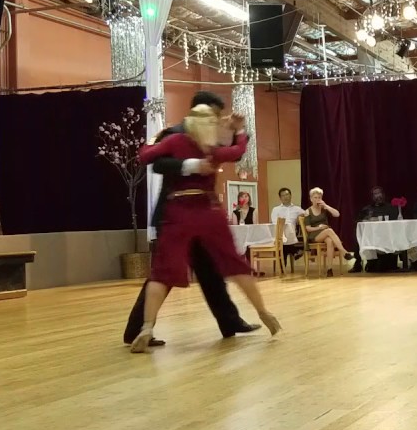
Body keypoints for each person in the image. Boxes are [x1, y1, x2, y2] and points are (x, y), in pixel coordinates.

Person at [130, 105, 280, 352]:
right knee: (234, 263)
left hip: (177, 210)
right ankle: (264, 312)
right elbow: (238, 150)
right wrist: (240, 129)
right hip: (208, 210)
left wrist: (153, 140)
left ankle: (147, 327)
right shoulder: (211, 149)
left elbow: (146, 157)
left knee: (162, 272)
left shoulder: (176, 139)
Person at [303, 187, 354, 276]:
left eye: (319, 197)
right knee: (329, 230)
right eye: (315, 197)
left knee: (330, 241)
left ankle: (329, 269)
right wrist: (319, 227)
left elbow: (337, 214)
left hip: (325, 233)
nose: (317, 199)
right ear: (311, 199)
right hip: (314, 235)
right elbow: (308, 228)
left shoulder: (324, 209)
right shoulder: (308, 211)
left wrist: (326, 206)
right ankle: (344, 252)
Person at [271, 187, 305, 270]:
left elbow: (307, 214)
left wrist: (300, 216)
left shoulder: (297, 209)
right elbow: (274, 223)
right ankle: (294, 251)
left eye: (287, 194)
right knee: (284, 230)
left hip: (293, 233)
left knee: (289, 229)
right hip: (280, 233)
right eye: (283, 195)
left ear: (290, 196)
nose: (285, 197)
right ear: (280, 198)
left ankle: (284, 262)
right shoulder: (276, 209)